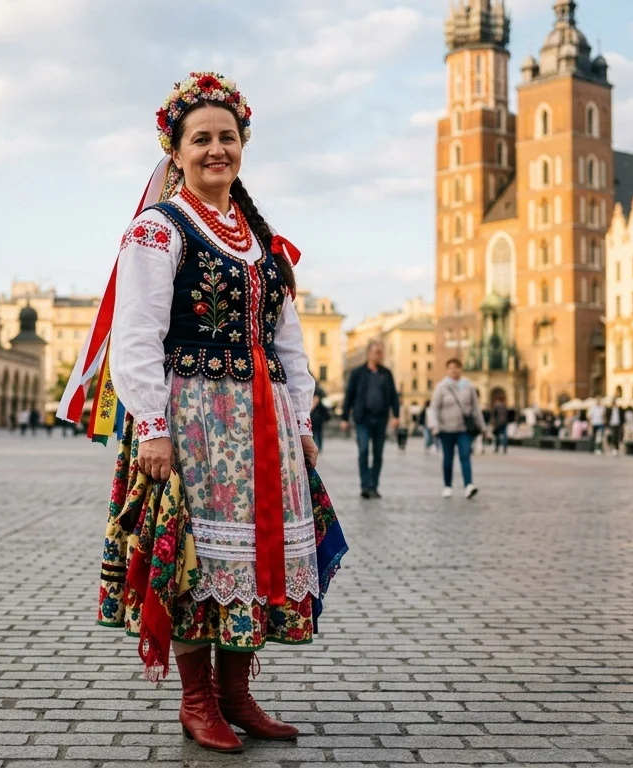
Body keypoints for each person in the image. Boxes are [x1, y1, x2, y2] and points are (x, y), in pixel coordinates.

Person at [83, 72, 328, 754]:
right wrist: (153, 429)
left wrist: (302, 424)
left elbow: (289, 341)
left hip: (262, 421)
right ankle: (198, 701)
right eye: (202, 139)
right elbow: (135, 335)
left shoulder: (262, 238)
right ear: (177, 150)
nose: (216, 149)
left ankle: (237, 694)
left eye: (227, 136)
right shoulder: (159, 231)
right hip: (190, 418)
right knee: (193, 560)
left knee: (248, 561)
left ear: (242, 143)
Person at [341, 340, 400, 499]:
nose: (380, 355)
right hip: (362, 418)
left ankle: (373, 485)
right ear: (369, 354)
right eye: (377, 352)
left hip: (380, 418)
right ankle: (365, 486)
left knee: (378, 454)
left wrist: (396, 415)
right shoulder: (357, 373)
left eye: (381, 352)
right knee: (363, 450)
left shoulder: (386, 373)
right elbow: (349, 395)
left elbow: (394, 395)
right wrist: (345, 417)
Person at [429, 358, 486, 499]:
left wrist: (483, 427)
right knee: (448, 459)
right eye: (451, 368)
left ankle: (469, 485)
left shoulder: (469, 386)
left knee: (465, 455)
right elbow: (434, 408)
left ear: (461, 369)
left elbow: (475, 408)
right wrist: (434, 426)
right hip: (446, 429)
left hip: (464, 429)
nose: (454, 370)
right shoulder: (441, 387)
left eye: (457, 367)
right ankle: (447, 486)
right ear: (447, 370)